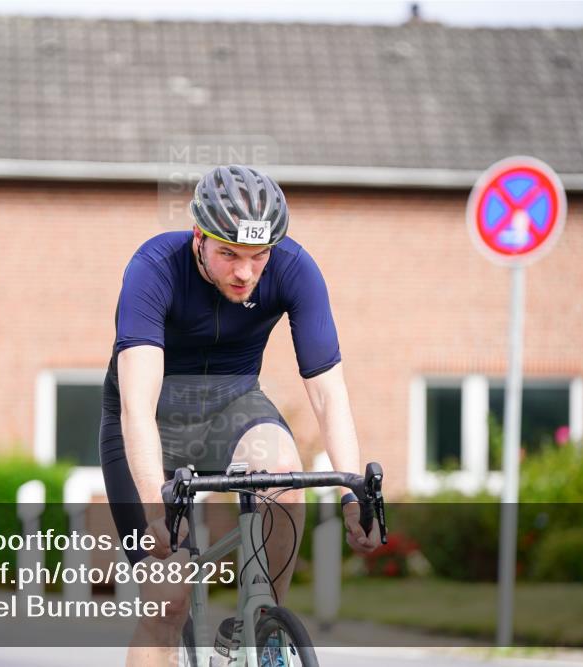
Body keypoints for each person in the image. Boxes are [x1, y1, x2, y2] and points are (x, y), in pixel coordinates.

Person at [99, 164, 380, 666]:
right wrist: (154, 510)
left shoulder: (295, 269)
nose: (245, 272)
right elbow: (136, 406)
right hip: (150, 423)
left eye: (257, 256)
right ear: (197, 238)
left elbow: (327, 393)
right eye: (228, 253)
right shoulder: (154, 267)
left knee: (283, 476)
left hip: (233, 406)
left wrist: (352, 492)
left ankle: (262, 623)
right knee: (168, 601)